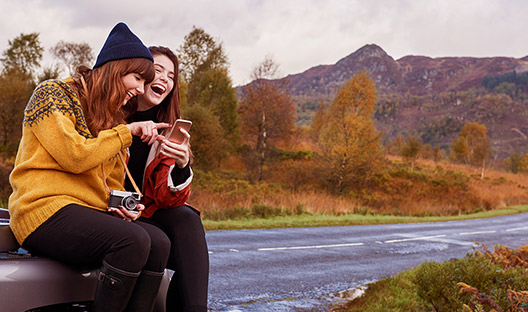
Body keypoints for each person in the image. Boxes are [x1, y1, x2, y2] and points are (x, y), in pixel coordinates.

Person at [8, 22, 172, 312]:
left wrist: (124, 207)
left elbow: (111, 183)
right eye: (137, 78)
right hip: (42, 209)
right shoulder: (53, 94)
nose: (141, 89)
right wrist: (127, 133)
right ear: (115, 69)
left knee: (158, 242)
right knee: (132, 241)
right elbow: (74, 156)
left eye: (145, 83)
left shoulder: (113, 120)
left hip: (86, 213)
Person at [125, 46, 209, 312]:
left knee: (187, 218)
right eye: (157, 70)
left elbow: (166, 198)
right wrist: (128, 133)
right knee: (174, 249)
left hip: (145, 210)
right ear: (140, 74)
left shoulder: (169, 129)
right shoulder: (111, 115)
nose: (163, 78)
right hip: (111, 207)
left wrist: (182, 165)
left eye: (171, 76)